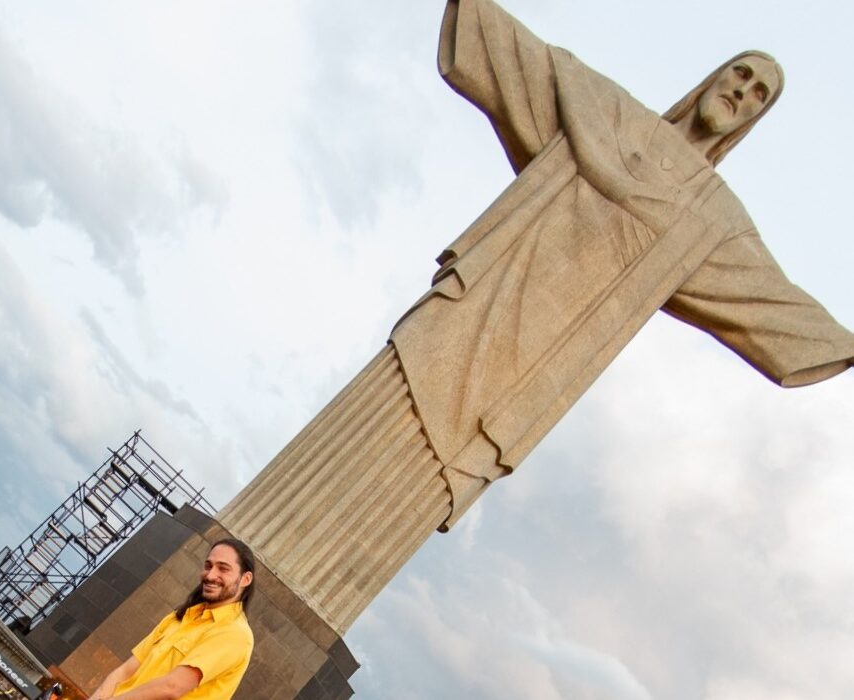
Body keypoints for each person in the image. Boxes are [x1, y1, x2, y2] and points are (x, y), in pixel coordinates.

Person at [216, 0, 853, 635]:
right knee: (359, 431)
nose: (743, 92)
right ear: (714, 76)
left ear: (755, 120)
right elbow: (506, 50)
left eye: (759, 94)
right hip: (466, 316)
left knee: (409, 493)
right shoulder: (604, 109)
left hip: (520, 383)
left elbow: (777, 307)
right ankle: (226, 569)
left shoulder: (713, 221)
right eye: (741, 75)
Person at [89, 539, 256, 700]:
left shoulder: (235, 634)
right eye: (208, 566)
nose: (211, 575)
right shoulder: (180, 617)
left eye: (223, 569)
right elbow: (126, 670)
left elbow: (172, 688)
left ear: (245, 579)